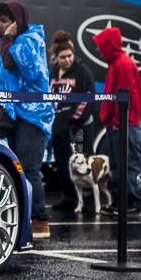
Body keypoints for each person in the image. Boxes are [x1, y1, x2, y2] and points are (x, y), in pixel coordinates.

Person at [0, 0, 55, 240]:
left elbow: (20, 66)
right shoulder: (10, 43)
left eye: (4, 21)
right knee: (15, 169)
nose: (0, 25)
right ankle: (22, 220)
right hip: (15, 114)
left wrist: (7, 39)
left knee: (29, 169)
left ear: (18, 22)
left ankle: (40, 220)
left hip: (34, 115)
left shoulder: (31, 40)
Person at [92, 26, 141, 215]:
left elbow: (127, 96)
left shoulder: (123, 64)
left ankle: (134, 202)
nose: (99, 50)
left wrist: (119, 121)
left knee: (128, 164)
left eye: (101, 46)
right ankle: (119, 202)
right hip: (117, 124)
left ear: (109, 45)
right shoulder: (115, 63)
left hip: (124, 124)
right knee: (117, 165)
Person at [47, 32, 96, 212]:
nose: (67, 60)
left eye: (69, 56)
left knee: (83, 161)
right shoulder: (53, 73)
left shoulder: (82, 71)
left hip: (79, 126)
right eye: (63, 57)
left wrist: (73, 118)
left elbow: (89, 96)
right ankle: (69, 197)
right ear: (56, 58)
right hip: (58, 127)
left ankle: (89, 199)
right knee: (63, 163)